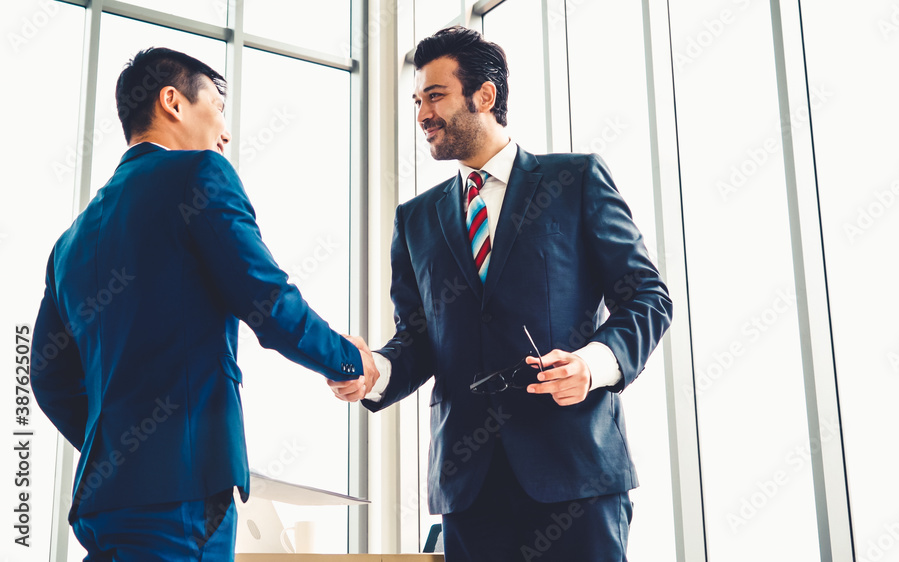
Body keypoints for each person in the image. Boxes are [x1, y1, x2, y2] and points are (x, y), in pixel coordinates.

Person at [329, 26, 672, 561]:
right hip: (469, 488)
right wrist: (379, 369)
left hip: (576, 472)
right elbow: (418, 338)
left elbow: (647, 296)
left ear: (484, 96)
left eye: (435, 96)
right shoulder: (415, 219)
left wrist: (594, 364)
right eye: (418, 100)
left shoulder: (575, 179)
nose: (422, 114)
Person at [30, 47, 375, 561]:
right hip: (180, 502)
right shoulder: (197, 176)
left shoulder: (71, 241)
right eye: (216, 107)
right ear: (173, 102)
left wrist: (126, 449)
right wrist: (349, 360)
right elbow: (266, 299)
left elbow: (49, 380)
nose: (225, 132)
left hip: (104, 504)